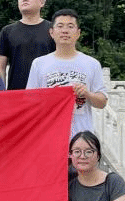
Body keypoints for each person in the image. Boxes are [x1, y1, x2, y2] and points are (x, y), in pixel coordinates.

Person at [26, 8, 107, 138]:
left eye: (70, 26)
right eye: (60, 26)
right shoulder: (39, 63)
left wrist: (87, 94)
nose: (65, 31)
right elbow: (30, 102)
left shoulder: (92, 64)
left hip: (81, 137)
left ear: (78, 33)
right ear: (51, 32)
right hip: (48, 134)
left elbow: (102, 102)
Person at [0, 0, 56, 90]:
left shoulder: (53, 30)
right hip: (16, 93)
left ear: (42, 2)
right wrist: (0, 91)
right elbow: (0, 66)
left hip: (46, 92)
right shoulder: (7, 31)